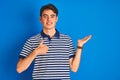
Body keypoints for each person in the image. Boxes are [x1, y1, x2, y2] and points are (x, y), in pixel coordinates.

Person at [16, 3, 92, 80]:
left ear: (56, 19)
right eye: (45, 16)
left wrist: (80, 46)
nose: (49, 20)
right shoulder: (32, 41)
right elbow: (19, 69)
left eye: (52, 16)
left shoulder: (67, 39)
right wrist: (35, 52)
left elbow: (74, 68)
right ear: (40, 19)